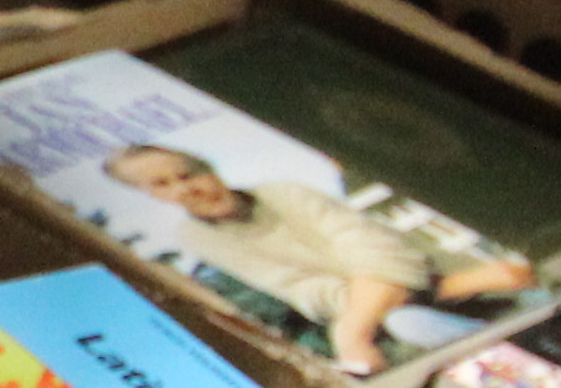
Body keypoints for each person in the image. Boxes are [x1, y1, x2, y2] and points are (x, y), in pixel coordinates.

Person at [97, 145, 532, 375]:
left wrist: (351, 330)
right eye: (163, 185)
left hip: (440, 266)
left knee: (508, 278)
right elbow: (304, 291)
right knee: (407, 324)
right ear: (152, 196)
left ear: (209, 168)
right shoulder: (198, 238)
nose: (184, 188)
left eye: (188, 173)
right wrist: (368, 315)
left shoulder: (284, 193)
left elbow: (370, 247)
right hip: (412, 304)